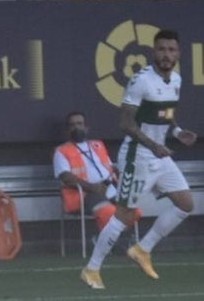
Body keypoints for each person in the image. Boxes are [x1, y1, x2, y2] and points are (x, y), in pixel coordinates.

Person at [81, 30, 196, 291]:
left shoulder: (176, 79)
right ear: (153, 51)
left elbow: (166, 114)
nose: (166, 54)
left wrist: (177, 131)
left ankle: (142, 249)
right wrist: (154, 145)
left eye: (171, 50)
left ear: (178, 54)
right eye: (161, 49)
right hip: (138, 155)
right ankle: (92, 269)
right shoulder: (141, 80)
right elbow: (125, 123)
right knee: (124, 215)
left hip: (159, 155)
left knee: (185, 203)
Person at [54, 111, 121, 234]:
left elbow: (111, 168)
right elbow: (66, 177)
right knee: (109, 212)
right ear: (68, 130)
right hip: (86, 194)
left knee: (133, 212)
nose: (76, 127)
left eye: (80, 124)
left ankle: (113, 239)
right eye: (72, 125)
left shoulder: (98, 145)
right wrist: (93, 188)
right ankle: (103, 241)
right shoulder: (62, 151)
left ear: (86, 127)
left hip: (111, 188)